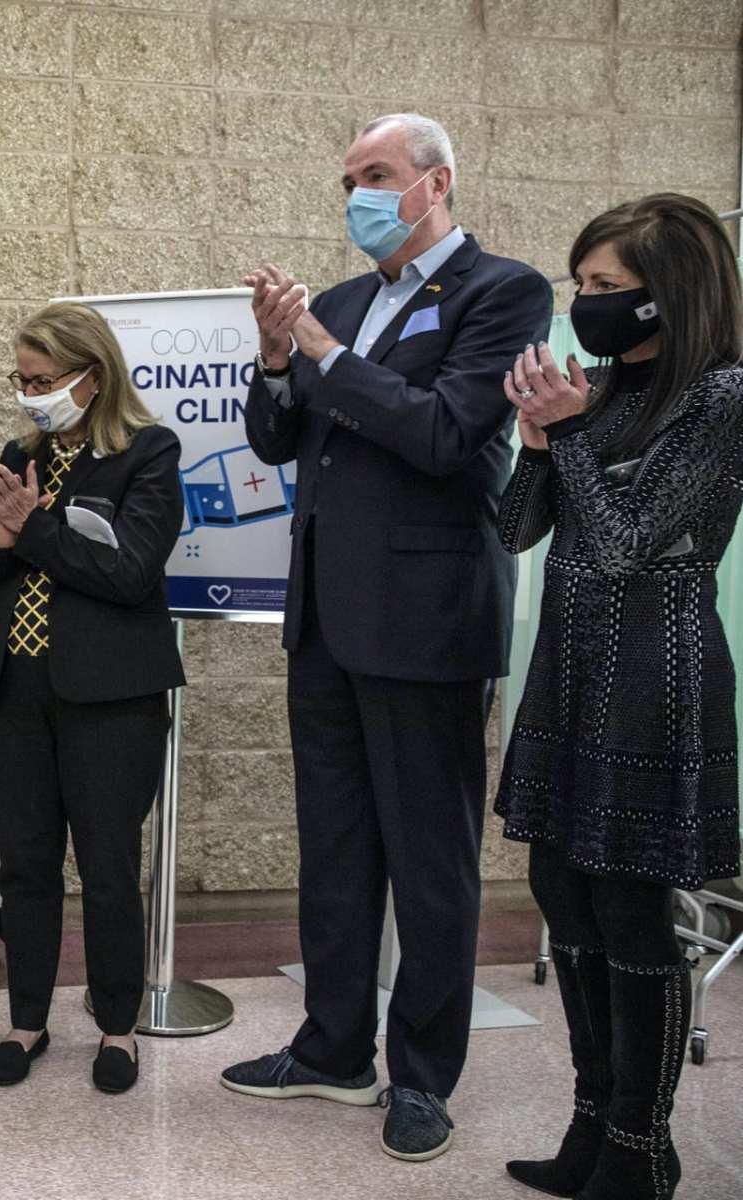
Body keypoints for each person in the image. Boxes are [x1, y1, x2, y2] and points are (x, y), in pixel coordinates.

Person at [220, 113, 553, 1161]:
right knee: (336, 853)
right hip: (322, 617)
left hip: (426, 620)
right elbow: (281, 439)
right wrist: (279, 359)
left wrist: (317, 345)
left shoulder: (503, 292)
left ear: (435, 182)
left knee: (431, 860)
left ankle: (422, 1076)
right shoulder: (350, 301)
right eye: (349, 179)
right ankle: (330, 1049)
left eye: (377, 174)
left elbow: (451, 436)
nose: (358, 194)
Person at [496, 194, 743, 1200]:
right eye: (581, 286)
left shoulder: (723, 395)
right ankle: (593, 1121)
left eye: (607, 288)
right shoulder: (595, 389)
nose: (586, 305)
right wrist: (539, 437)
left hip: (660, 672)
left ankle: (644, 1146)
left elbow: (629, 540)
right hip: (571, 663)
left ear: (668, 292)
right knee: (563, 890)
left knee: (631, 905)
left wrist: (574, 440)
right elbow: (519, 530)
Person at [0, 301, 184, 1096]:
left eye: (42, 380)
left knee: (108, 869)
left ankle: (118, 1030)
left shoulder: (148, 454)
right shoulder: (19, 454)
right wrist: (0, 532)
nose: (28, 395)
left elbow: (130, 575)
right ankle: (26, 1021)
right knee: (24, 867)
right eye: (20, 380)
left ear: (93, 376)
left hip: (111, 699)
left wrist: (37, 530)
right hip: (13, 689)